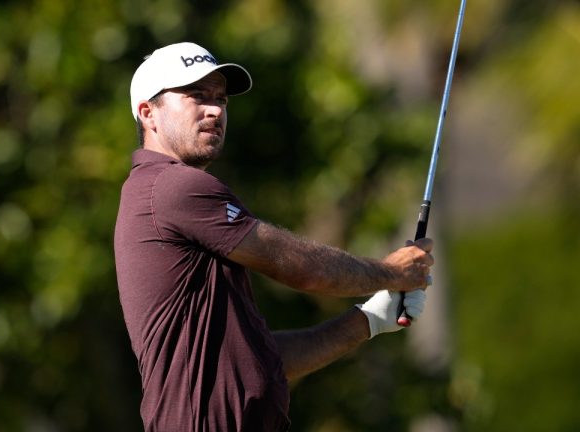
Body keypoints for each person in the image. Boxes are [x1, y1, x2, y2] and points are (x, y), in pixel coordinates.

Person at [114, 42, 434, 432]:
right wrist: (391, 272)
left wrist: (369, 319)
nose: (215, 110)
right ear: (149, 113)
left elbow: (259, 362)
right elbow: (298, 268)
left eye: (221, 100)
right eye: (197, 96)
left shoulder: (168, 196)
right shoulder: (172, 186)